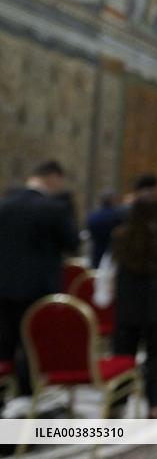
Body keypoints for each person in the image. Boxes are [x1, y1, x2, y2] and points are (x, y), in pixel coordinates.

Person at [0, 161, 77, 396]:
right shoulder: (54, 208)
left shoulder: (4, 205)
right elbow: (72, 244)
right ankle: (27, 400)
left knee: (3, 345)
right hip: (37, 289)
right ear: (53, 177)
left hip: (3, 288)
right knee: (32, 347)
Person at [110, 196, 157, 419]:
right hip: (156, 303)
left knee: (123, 353)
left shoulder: (121, 236)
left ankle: (118, 402)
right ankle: (155, 404)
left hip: (128, 303)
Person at [86, 191, 121, 268]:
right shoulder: (117, 215)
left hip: (96, 253)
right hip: (112, 254)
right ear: (113, 200)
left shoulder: (93, 216)